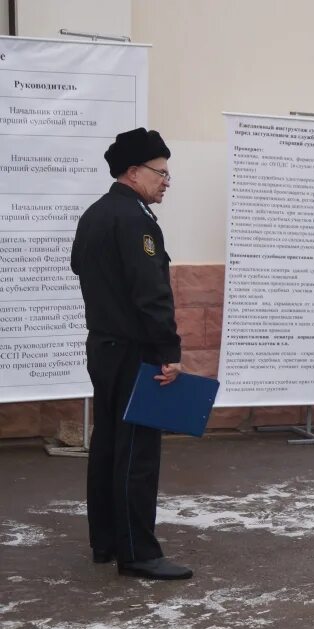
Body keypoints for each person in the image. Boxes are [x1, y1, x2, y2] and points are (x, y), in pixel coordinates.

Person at [70, 127, 191, 580]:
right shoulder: (136, 220)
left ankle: (107, 541)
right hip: (135, 350)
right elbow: (150, 293)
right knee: (137, 450)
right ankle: (139, 552)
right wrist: (168, 351)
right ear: (134, 172)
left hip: (103, 346)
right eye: (161, 172)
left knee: (107, 445)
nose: (166, 180)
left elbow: (82, 269)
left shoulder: (95, 214)